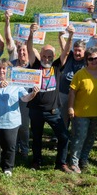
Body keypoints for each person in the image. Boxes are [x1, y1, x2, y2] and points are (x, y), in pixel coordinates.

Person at [26, 23, 71, 172]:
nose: (46, 59)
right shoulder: (35, 64)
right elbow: (29, 48)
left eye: (49, 56)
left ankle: (61, 163)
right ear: (41, 55)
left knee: (63, 137)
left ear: (53, 57)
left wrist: (69, 36)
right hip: (36, 110)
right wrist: (31, 34)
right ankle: (36, 161)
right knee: (37, 138)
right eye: (44, 56)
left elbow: (66, 52)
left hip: (53, 111)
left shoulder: (57, 66)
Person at [0, 59, 38, 176]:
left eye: (4, 68)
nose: (2, 71)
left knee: (9, 146)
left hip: (11, 121)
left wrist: (33, 94)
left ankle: (8, 167)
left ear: (10, 70)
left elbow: (25, 98)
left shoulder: (16, 84)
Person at [66, 46, 97, 173]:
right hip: (81, 113)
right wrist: (71, 108)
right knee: (79, 137)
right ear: (86, 60)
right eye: (91, 59)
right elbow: (72, 92)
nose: (94, 61)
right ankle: (73, 162)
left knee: (90, 138)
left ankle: (83, 159)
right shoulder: (80, 74)